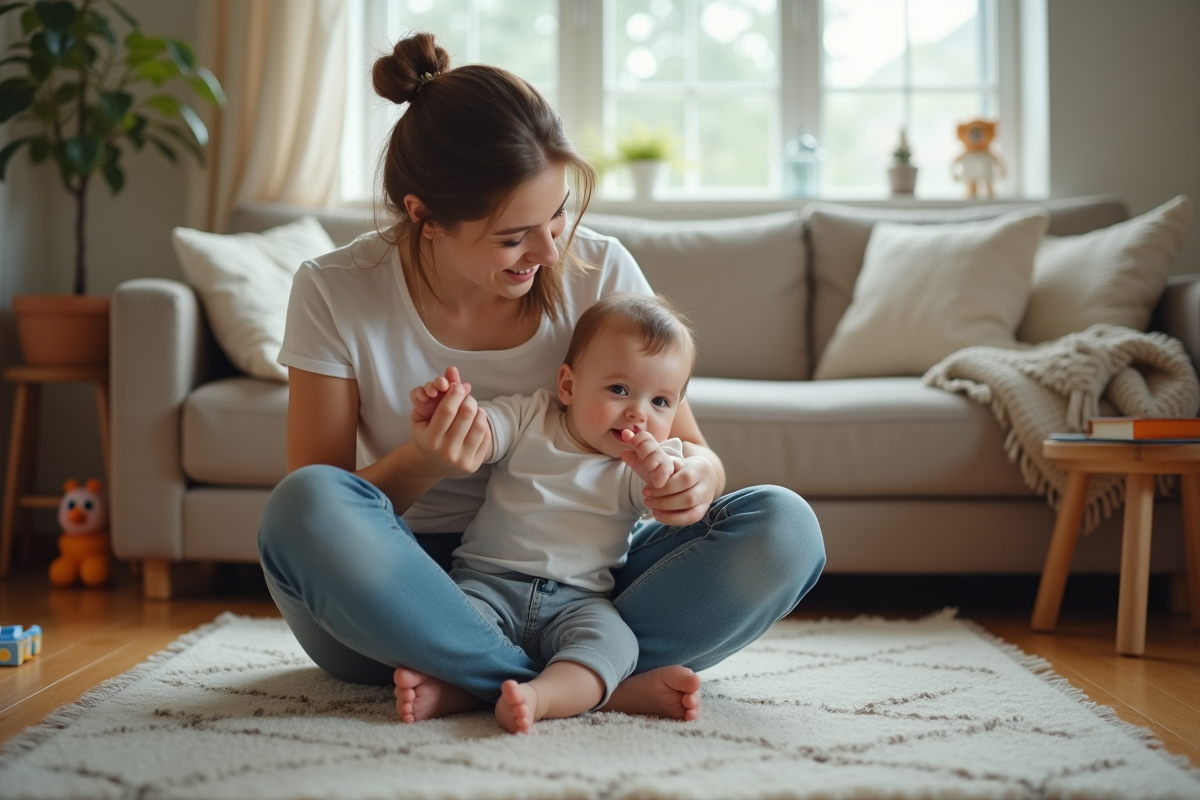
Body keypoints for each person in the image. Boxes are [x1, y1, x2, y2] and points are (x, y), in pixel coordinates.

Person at [257, 31, 825, 727]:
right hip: (406, 586)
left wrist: (694, 480)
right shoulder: (334, 289)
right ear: (424, 217)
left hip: (586, 576)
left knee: (785, 529)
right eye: (514, 235)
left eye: (558, 213)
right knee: (301, 506)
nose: (551, 248)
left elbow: (692, 448)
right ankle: (591, 680)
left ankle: (481, 677)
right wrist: (423, 463)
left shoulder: (601, 269)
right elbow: (323, 499)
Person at [412, 293, 695, 733]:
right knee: (439, 623)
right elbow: (483, 433)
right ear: (568, 386)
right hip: (488, 583)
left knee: (616, 644)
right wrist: (450, 416)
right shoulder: (532, 416)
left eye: (660, 402)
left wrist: (663, 475)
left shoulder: (638, 465)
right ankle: (482, 688)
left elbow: (674, 494)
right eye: (619, 390)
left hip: (578, 602)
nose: (638, 414)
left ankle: (537, 697)